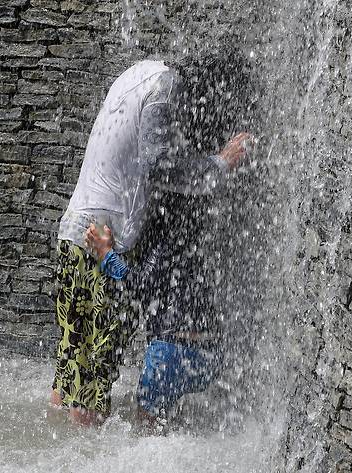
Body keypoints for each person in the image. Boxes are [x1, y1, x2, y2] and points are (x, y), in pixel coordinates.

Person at [51, 55, 252, 426]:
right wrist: (220, 163)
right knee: (92, 392)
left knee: (69, 375)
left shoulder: (132, 79)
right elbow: (159, 163)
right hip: (101, 241)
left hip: (73, 235)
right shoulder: (166, 85)